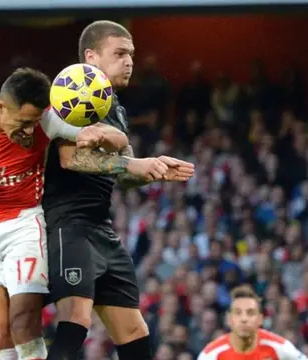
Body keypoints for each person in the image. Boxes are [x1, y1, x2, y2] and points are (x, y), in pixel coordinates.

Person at [0, 67, 129, 360]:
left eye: (34, 123)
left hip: (24, 226)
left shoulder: (47, 118)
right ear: (0, 107)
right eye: (24, 122)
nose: (31, 130)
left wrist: (100, 134)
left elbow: (119, 139)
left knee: (23, 319)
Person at [42, 20, 195, 360]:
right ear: (91, 56)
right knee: (75, 321)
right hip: (67, 224)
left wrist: (151, 169)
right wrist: (132, 165)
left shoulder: (115, 108)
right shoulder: (73, 93)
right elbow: (70, 158)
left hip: (100, 227)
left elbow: (124, 176)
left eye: (132, 55)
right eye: (120, 53)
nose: (129, 61)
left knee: (134, 332)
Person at [198, 285, 308, 360]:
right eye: (238, 313)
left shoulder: (279, 347)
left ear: (260, 319)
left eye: (250, 313)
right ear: (229, 319)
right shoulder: (212, 354)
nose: (244, 319)